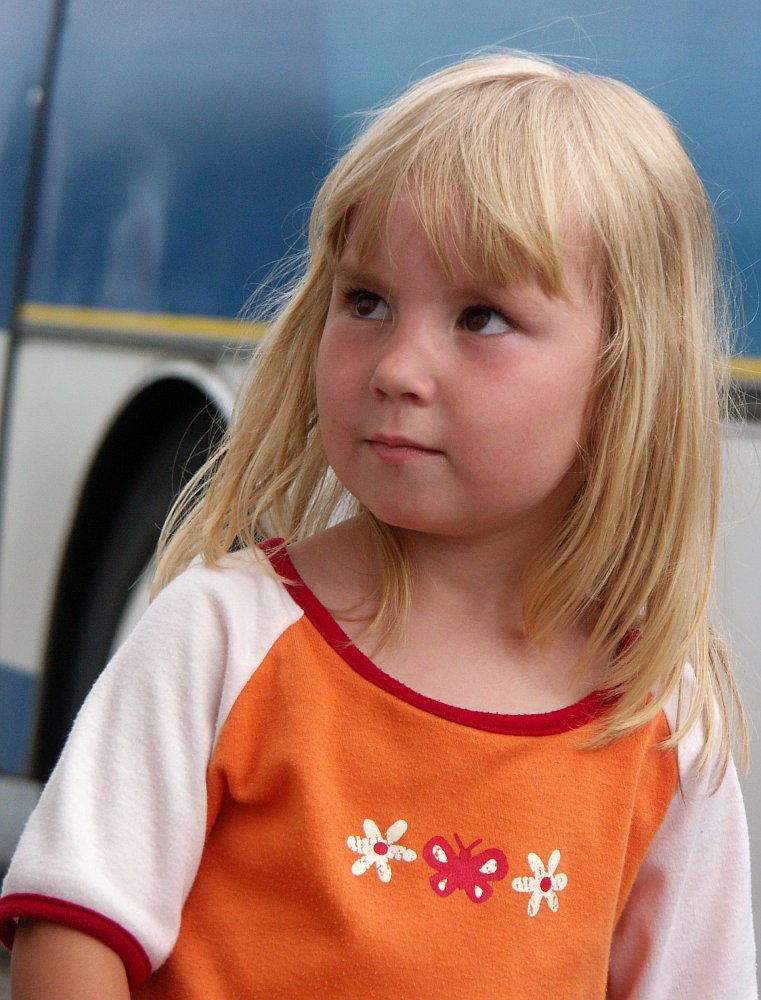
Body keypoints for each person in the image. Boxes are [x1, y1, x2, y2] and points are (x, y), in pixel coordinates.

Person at [0, 53, 756, 999]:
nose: (397, 367)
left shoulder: (659, 721)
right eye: (366, 302)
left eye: (480, 317)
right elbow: (71, 938)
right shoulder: (223, 635)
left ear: (622, 379)